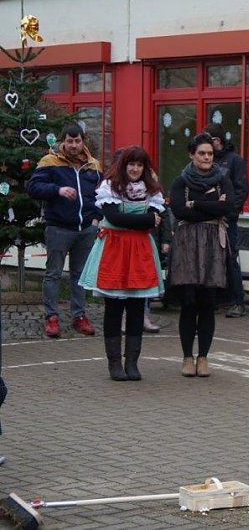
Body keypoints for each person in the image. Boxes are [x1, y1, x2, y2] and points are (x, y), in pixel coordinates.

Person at [79, 146, 166, 381]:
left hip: (140, 251)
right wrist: (147, 218)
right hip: (115, 250)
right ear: (123, 166)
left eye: (139, 165)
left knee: (137, 308)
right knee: (114, 308)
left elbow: (156, 220)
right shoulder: (110, 187)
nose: (135, 169)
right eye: (131, 164)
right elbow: (115, 217)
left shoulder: (152, 190)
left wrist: (142, 221)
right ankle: (114, 363)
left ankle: (133, 363)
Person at [26, 123, 102, 338]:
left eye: (77, 141)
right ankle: (51, 317)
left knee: (79, 275)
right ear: (62, 142)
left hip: (86, 229)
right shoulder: (49, 162)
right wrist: (57, 190)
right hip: (58, 228)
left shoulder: (93, 166)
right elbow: (33, 188)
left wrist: (97, 218)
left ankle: (79, 316)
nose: (74, 145)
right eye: (69, 141)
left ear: (83, 142)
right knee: (53, 274)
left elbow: (103, 195)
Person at [168, 133, 234, 378]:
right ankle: (187, 357)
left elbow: (228, 207)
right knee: (189, 302)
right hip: (187, 246)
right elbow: (178, 210)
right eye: (201, 153)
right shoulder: (180, 182)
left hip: (213, 247)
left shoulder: (223, 179)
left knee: (207, 303)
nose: (207, 157)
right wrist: (209, 205)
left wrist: (195, 204)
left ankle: (204, 357)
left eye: (209, 153)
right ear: (192, 155)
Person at [203, 123, 249, 318]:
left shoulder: (234, 161)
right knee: (210, 259)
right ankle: (214, 301)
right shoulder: (207, 161)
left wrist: (228, 210)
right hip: (207, 219)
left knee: (230, 259)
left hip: (227, 220)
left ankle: (238, 302)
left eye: (209, 141)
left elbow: (242, 190)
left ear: (217, 141)